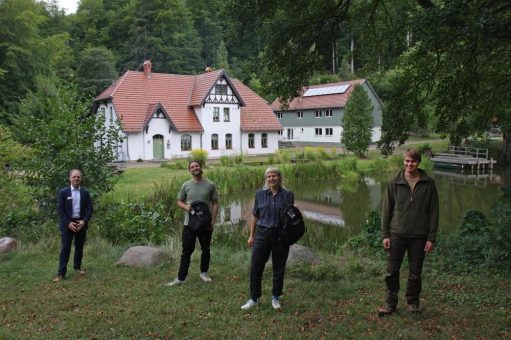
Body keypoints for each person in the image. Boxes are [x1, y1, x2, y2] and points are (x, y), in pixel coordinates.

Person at [377, 148, 439, 316]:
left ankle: (413, 303)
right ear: (403, 161)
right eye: (406, 161)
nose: (409, 164)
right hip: (397, 233)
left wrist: (431, 238)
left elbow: (434, 212)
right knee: (391, 271)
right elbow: (386, 211)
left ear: (418, 162)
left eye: (413, 161)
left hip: (419, 236)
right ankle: (390, 303)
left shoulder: (429, 183)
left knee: (415, 273)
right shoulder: (394, 182)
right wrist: (385, 235)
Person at [241, 166, 294, 310]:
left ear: (279, 177)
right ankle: (254, 299)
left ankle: (276, 297)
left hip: (280, 236)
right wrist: (251, 235)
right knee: (255, 267)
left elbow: (291, 216)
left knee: (279, 268)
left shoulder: (288, 194)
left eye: (274, 176)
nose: (271, 179)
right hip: (262, 234)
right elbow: (255, 215)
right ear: (266, 179)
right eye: (269, 177)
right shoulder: (259, 194)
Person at [166, 160, 218, 286]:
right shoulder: (186, 185)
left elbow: (215, 203)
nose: (195, 168)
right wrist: (186, 207)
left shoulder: (210, 185)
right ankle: (181, 278)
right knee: (186, 251)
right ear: (190, 170)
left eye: (197, 166)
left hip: (206, 223)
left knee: (206, 249)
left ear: (201, 167)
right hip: (189, 224)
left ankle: (204, 273)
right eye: (192, 167)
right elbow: (179, 202)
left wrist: (213, 220)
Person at [53, 169, 93, 282]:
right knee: (65, 248)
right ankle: (61, 273)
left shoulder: (85, 192)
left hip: (81, 223)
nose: (76, 178)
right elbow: (60, 209)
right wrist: (68, 223)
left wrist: (84, 221)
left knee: (79, 247)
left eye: (78, 177)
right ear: (69, 178)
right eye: (74, 177)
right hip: (67, 224)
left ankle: (77, 267)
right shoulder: (63, 192)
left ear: (81, 179)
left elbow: (90, 209)